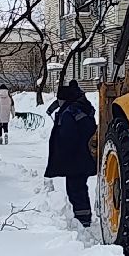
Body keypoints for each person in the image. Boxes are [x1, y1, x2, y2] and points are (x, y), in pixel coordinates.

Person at [45, 81, 97, 228]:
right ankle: (83, 217)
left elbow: (68, 137)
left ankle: (82, 220)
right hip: (83, 157)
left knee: (75, 189)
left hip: (75, 158)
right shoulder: (82, 108)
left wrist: (62, 156)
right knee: (79, 187)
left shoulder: (69, 113)